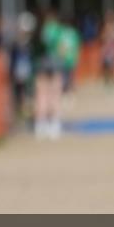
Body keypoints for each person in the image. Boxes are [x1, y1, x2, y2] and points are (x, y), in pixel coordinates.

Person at [33, 9, 64, 139]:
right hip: (54, 64)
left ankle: (41, 123)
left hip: (41, 64)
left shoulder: (40, 30)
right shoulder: (58, 31)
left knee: (42, 94)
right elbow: (62, 49)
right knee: (54, 94)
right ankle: (53, 123)